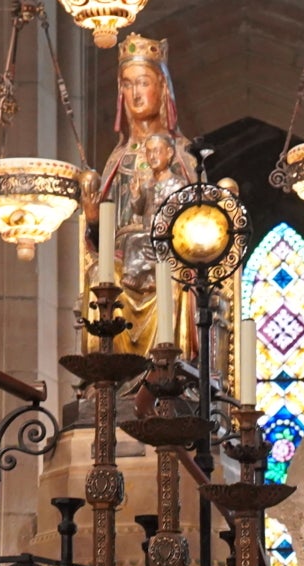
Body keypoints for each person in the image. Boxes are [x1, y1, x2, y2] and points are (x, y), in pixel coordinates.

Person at [82, 33, 198, 360]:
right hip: (123, 261)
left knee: (172, 280)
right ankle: (105, 377)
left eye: (143, 82)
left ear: (162, 88)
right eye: (127, 84)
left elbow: (200, 227)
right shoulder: (116, 161)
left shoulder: (184, 155)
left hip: (167, 257)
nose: (135, 93)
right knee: (100, 279)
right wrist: (92, 218)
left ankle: (170, 376)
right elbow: (100, 242)